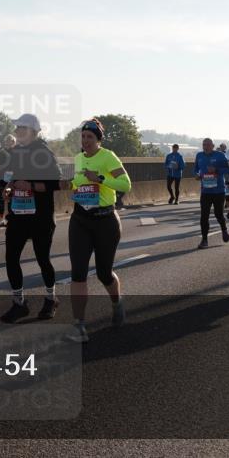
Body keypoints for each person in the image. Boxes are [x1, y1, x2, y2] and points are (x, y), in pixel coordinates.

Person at [64, 118, 132, 344]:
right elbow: (77, 184)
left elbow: (125, 184)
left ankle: (117, 302)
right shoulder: (78, 158)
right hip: (80, 220)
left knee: (104, 273)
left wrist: (101, 178)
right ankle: (79, 325)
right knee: (78, 273)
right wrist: (73, 187)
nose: (85, 141)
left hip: (106, 221)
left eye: (90, 137)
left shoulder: (108, 157)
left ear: (98, 139)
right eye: (83, 137)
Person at [0, 114, 62, 323]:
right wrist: (8, 188)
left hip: (40, 217)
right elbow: (9, 178)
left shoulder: (44, 153)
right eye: (16, 128)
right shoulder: (15, 153)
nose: (17, 132)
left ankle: (51, 298)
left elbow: (55, 183)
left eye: (21, 128)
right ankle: (19, 303)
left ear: (34, 132)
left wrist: (31, 186)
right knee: (11, 258)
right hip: (17, 215)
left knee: (43, 259)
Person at [193, 138, 229, 249]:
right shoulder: (199, 155)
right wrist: (196, 175)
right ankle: (204, 240)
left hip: (218, 191)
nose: (205, 146)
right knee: (204, 216)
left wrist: (217, 170)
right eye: (204, 144)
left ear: (213, 145)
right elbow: (195, 169)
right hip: (205, 191)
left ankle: (224, 229)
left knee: (218, 214)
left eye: (208, 145)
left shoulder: (220, 155)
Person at [0, 135, 16, 227]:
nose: (7, 142)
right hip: (1, 177)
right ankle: (2, 218)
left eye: (9, 141)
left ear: (13, 142)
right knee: (1, 199)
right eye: (6, 140)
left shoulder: (15, 152)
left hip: (9, 179)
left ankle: (9, 219)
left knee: (9, 198)